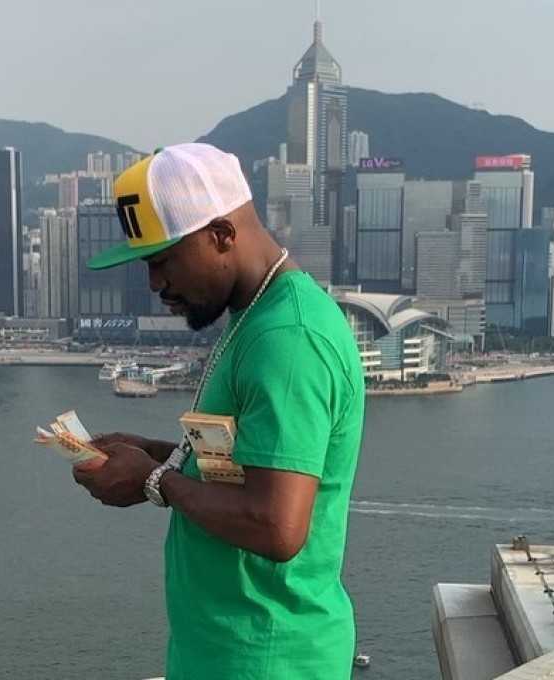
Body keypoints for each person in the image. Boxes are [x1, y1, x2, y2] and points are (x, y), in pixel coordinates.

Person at [74, 142, 365, 679]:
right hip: (227, 653)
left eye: (163, 261)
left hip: (267, 659)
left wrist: (152, 482)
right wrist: (150, 453)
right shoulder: (255, 318)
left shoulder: (288, 339)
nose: (155, 283)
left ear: (222, 235)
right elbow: (235, 471)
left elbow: (277, 526)